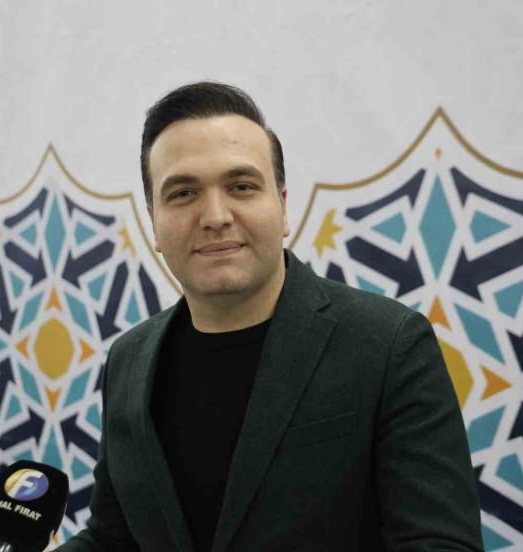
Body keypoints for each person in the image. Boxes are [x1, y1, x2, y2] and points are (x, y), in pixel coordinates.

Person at [59, 82, 482, 551]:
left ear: (282, 207)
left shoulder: (388, 344)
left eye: (241, 186)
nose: (215, 216)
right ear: (153, 223)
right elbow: (113, 537)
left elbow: (439, 544)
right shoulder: (128, 360)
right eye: (183, 193)